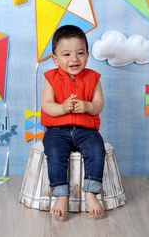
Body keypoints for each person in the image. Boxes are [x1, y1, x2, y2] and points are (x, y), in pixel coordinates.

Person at [41, 25, 105, 220]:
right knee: (54, 153)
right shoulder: (51, 78)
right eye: (66, 54)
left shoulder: (93, 78)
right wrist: (62, 108)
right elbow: (46, 105)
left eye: (80, 53)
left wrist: (87, 106)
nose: (74, 59)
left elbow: (99, 104)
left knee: (96, 149)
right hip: (57, 130)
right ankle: (61, 195)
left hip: (86, 130)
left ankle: (91, 192)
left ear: (87, 54)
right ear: (55, 58)